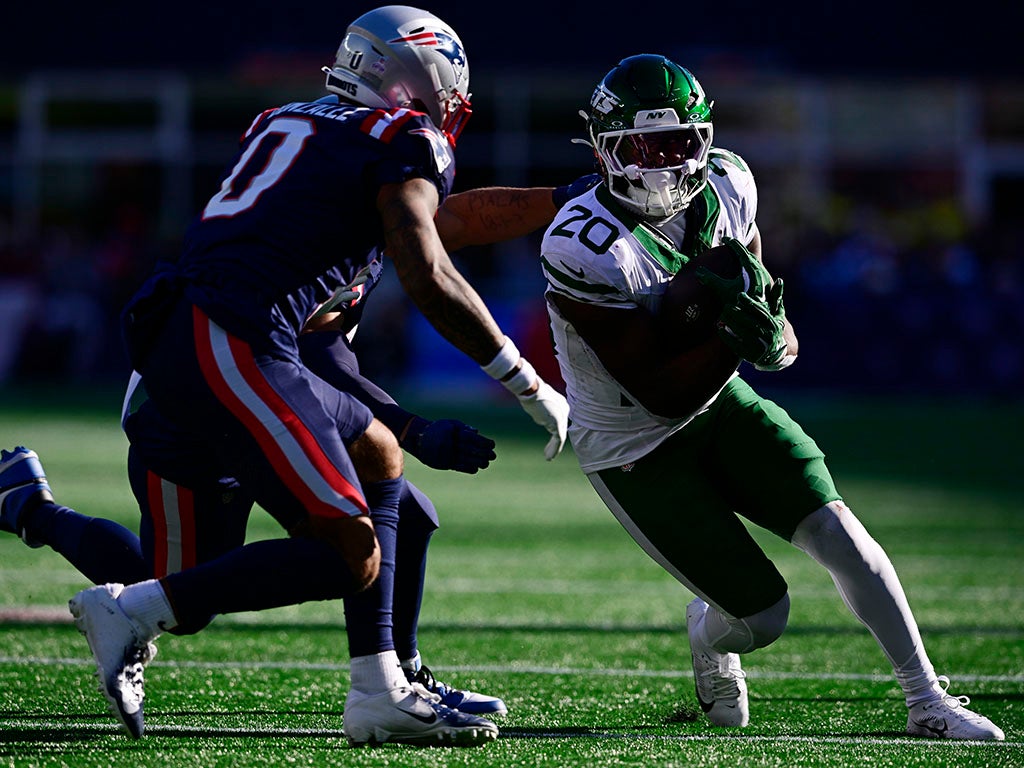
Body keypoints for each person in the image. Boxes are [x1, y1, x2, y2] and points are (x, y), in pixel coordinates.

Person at [4, 4, 579, 747]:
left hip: (211, 351)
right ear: (421, 81)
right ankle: (138, 608)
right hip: (224, 349)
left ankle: (387, 681)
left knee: (378, 475)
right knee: (344, 551)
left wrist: (407, 426)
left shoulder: (303, 140)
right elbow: (425, 261)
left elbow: (326, 352)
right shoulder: (400, 140)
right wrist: (524, 379)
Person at [538, 53, 1004, 741]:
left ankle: (926, 700)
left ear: (705, 140)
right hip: (635, 443)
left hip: (722, 404)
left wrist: (774, 338)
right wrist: (736, 342)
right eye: (647, 145)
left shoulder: (728, 183)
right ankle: (709, 631)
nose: (667, 161)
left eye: (679, 142)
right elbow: (656, 391)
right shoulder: (584, 246)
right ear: (608, 149)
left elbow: (760, 296)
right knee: (763, 619)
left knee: (843, 534)